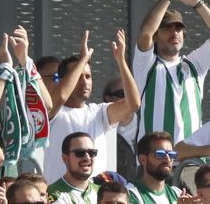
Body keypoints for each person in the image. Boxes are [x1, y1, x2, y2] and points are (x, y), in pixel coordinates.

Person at [130, 0, 210, 144]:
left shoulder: (194, 65)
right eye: (166, 28)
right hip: (155, 161)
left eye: (178, 29)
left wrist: (196, 2)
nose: (174, 33)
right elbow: (145, 35)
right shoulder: (147, 66)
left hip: (191, 162)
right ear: (156, 36)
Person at [43, 28, 141, 179]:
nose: (85, 82)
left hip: (96, 199)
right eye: (78, 76)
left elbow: (133, 103)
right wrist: (83, 59)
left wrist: (121, 61)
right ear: (63, 80)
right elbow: (61, 95)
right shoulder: (52, 111)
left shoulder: (100, 112)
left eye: (88, 76)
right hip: (60, 197)